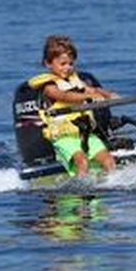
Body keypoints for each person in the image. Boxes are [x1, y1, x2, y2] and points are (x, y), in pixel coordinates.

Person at [28, 35, 117, 177]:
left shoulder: (75, 81)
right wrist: (88, 97)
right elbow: (64, 96)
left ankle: (113, 187)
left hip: (85, 134)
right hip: (64, 136)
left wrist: (108, 95)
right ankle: (81, 189)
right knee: (82, 162)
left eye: (71, 64)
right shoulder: (49, 87)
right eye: (63, 64)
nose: (68, 68)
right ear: (48, 63)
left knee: (108, 160)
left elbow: (93, 90)